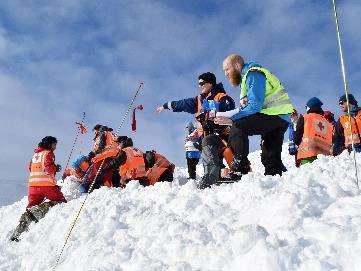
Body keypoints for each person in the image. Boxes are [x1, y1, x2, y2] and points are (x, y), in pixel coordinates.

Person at [215, 54, 294, 177]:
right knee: (270, 156)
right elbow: (246, 108)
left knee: (238, 126)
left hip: (274, 115)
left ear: (237, 65)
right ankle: (275, 178)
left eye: (227, 69)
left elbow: (254, 105)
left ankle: (240, 168)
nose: (225, 73)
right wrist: (227, 116)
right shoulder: (247, 79)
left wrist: (232, 119)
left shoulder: (253, 74)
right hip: (280, 117)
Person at [157, 72, 235, 188]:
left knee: (219, 147)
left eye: (202, 83)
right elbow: (182, 104)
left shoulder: (222, 97)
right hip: (206, 138)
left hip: (223, 136)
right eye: (199, 84)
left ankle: (230, 173)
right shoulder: (199, 100)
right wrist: (165, 105)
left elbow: (230, 114)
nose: (200, 86)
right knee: (199, 143)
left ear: (210, 83)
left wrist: (214, 117)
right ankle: (213, 173)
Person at [10, 136, 66, 242]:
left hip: (32, 187)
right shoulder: (48, 153)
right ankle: (39, 210)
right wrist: (56, 168)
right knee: (60, 202)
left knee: (31, 208)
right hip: (46, 186)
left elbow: (30, 168)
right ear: (49, 144)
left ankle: (18, 232)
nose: (55, 147)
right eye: (54, 144)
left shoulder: (35, 155)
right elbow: (49, 168)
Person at [294, 97, 333, 165]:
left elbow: (298, 136)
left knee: (308, 174)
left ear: (309, 107)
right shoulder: (327, 122)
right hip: (324, 156)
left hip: (307, 153)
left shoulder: (304, 117)